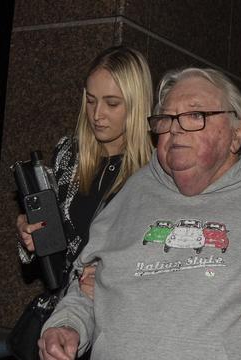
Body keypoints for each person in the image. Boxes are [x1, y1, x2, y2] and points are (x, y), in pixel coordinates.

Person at [37, 67, 241, 360]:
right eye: (166, 119)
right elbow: (87, 285)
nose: (175, 129)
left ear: (236, 135)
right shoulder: (132, 192)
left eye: (195, 116)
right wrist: (67, 324)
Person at [15, 45, 153, 298]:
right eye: (90, 101)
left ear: (137, 104)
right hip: (65, 308)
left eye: (112, 103)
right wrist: (31, 234)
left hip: (122, 311)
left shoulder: (156, 168)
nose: (97, 114)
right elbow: (55, 240)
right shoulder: (69, 154)